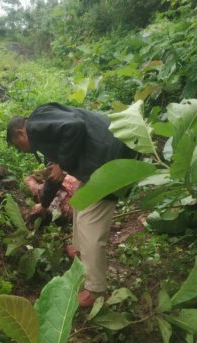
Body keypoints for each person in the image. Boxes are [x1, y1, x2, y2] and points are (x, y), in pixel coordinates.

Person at [7, 102, 135, 307]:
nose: (20, 150)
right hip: (104, 155)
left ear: (21, 133)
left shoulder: (36, 126)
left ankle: (95, 290)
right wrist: (44, 205)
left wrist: (63, 163)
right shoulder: (46, 125)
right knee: (80, 200)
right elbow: (53, 176)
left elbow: (74, 126)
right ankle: (79, 251)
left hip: (110, 157)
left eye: (16, 145)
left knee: (89, 222)